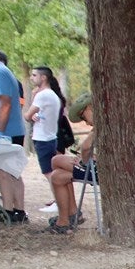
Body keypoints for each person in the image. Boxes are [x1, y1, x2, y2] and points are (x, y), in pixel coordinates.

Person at [45, 93, 93, 234]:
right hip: (101, 168)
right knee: (57, 177)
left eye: (83, 116)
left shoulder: (101, 125)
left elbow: (86, 147)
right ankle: (68, 217)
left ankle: (68, 217)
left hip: (97, 171)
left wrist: (84, 161)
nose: (86, 122)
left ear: (90, 107)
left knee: (56, 160)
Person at [0, 45, 28, 223]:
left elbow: (5, 104)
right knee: (4, 171)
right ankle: (10, 210)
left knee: (8, 170)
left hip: (6, 132)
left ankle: (16, 210)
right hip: (5, 131)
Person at [26, 66, 65, 215]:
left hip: (43, 138)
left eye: (34, 75)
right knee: (51, 172)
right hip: (50, 136)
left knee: (49, 173)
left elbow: (27, 115)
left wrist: (31, 115)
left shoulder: (42, 95)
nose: (31, 77)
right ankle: (58, 201)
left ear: (43, 78)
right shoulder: (52, 95)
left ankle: (58, 202)